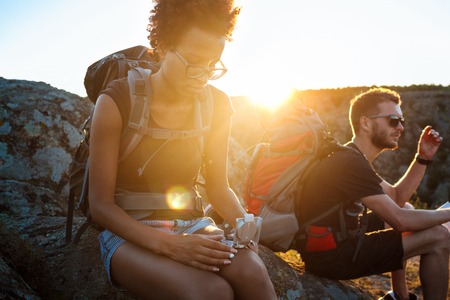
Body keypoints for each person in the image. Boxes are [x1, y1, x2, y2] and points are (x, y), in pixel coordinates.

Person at [88, 0, 277, 299]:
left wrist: (245, 224)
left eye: (212, 65)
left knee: (251, 272)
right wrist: (169, 245)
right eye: (193, 60)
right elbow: (100, 206)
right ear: (162, 46)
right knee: (211, 292)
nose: (201, 74)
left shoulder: (216, 105)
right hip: (128, 232)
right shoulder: (117, 102)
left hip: (192, 224)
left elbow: (218, 187)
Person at [295, 87, 450, 300]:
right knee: (439, 236)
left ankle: (399, 296)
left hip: (336, 241)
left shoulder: (350, 156)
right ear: (365, 122)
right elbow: (400, 221)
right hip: (331, 256)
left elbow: (397, 198)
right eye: (393, 120)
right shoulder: (349, 162)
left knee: (407, 207)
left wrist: (422, 157)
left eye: (402, 121)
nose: (401, 127)